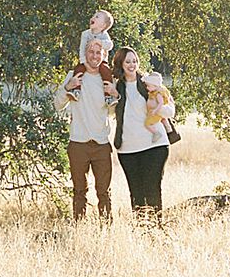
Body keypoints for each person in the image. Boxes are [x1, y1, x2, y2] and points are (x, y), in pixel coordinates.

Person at [55, 37, 117, 221]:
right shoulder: (74, 75)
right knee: (79, 190)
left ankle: (105, 229)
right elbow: (58, 105)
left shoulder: (107, 79)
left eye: (98, 52)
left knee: (104, 191)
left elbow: (113, 111)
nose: (94, 56)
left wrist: (115, 94)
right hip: (78, 143)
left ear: (104, 55)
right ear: (85, 54)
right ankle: (78, 227)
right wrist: (68, 87)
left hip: (101, 144)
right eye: (91, 51)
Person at [111, 48, 175, 221]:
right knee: (136, 194)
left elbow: (171, 110)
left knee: (152, 189)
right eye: (127, 62)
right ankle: (141, 231)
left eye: (134, 61)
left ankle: (156, 229)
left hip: (155, 145)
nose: (132, 65)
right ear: (121, 65)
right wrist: (113, 96)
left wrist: (158, 109)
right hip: (127, 149)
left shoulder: (149, 83)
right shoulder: (117, 87)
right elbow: (108, 111)